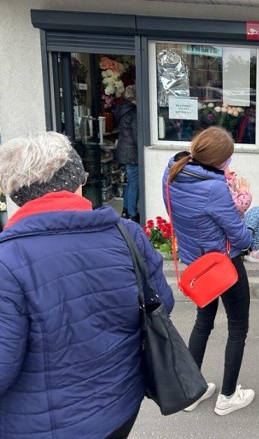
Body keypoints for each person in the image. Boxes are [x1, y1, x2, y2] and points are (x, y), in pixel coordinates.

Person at [0, 131, 174, 438]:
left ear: (16, 194)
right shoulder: (127, 234)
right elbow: (163, 303)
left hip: (44, 425)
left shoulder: (7, 260)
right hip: (122, 404)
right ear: (79, 181)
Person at [162, 126, 255, 415]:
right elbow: (239, 237)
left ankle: (192, 393)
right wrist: (243, 199)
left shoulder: (173, 170)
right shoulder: (214, 187)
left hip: (195, 259)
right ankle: (228, 397)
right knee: (238, 328)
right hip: (223, 263)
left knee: (204, 321)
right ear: (220, 162)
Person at [225, 165, 259, 262]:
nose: (232, 171)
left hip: (231, 227)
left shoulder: (216, 182)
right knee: (257, 211)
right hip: (231, 233)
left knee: (257, 210)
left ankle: (252, 249)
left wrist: (233, 184)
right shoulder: (221, 185)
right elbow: (239, 208)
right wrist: (244, 190)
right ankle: (251, 248)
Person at [115, 84, 139, 222]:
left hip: (125, 151)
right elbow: (136, 135)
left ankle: (125, 210)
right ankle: (132, 213)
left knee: (130, 182)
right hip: (132, 153)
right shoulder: (132, 112)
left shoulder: (123, 110)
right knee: (134, 183)